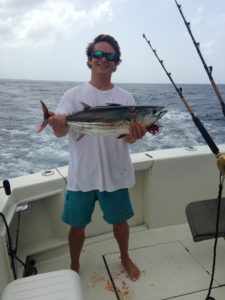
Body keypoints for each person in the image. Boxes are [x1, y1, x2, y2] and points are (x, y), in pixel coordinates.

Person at [48, 34, 147, 281]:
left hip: (115, 174)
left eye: (110, 56)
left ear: (116, 63)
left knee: (121, 223)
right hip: (82, 175)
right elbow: (61, 133)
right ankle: (73, 265)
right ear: (90, 59)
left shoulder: (126, 99)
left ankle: (124, 257)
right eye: (99, 55)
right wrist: (57, 122)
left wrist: (135, 136)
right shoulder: (73, 95)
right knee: (77, 225)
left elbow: (127, 138)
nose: (104, 59)